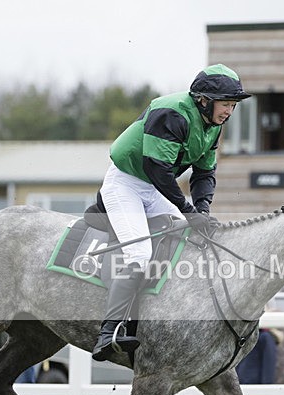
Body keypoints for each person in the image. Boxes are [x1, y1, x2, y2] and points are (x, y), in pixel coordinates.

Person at [91, 64, 252, 361]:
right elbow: (159, 170)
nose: (229, 111)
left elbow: (204, 174)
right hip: (126, 184)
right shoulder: (171, 113)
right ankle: (109, 331)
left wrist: (202, 211)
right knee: (139, 254)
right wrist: (189, 211)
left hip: (153, 189)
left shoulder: (212, 125)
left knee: (198, 239)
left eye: (233, 105)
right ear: (204, 100)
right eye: (226, 104)